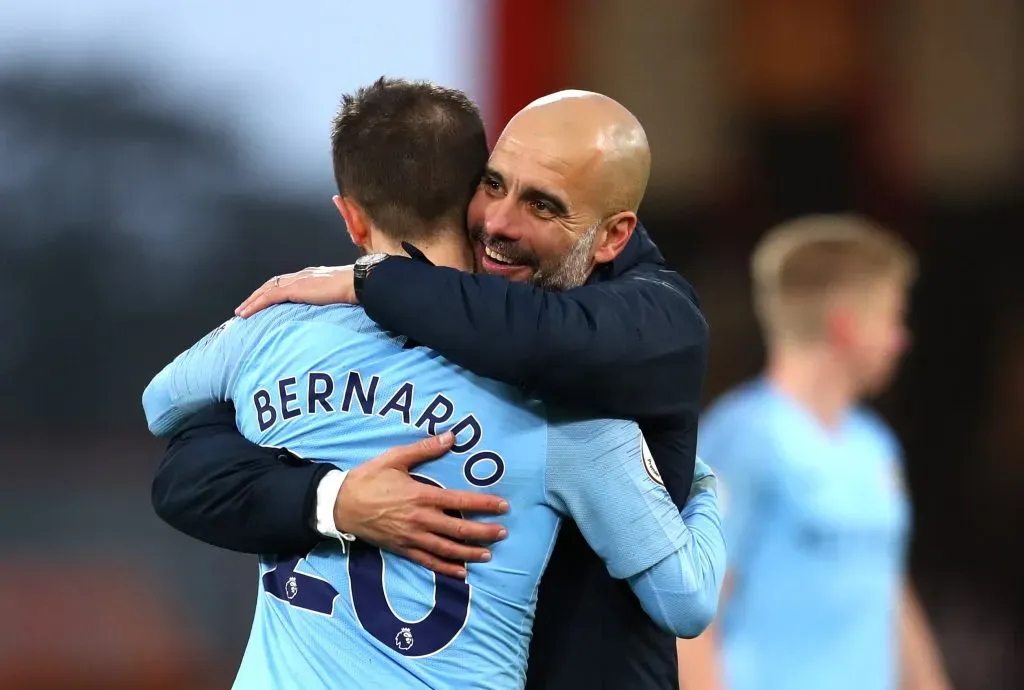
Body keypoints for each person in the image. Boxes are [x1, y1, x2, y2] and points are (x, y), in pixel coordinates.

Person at [143, 77, 725, 690]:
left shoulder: (274, 334)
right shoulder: (576, 422)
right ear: (468, 187)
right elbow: (685, 601)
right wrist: (332, 498)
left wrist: (368, 283)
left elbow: (163, 405)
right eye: (495, 187)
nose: (500, 222)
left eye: (543, 205)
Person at [675, 215, 950, 690]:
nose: (901, 340)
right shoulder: (745, 438)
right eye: (892, 318)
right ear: (846, 325)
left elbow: (885, 588)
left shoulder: (874, 446)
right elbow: (690, 613)